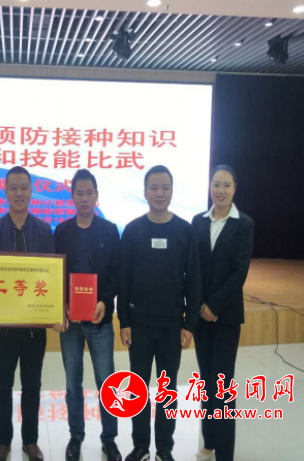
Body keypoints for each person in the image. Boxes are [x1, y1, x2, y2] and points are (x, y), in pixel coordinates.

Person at [0, 166, 55, 461]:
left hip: (34, 328)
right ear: (5, 192)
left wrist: (56, 311)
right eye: (13, 188)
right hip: (2, 329)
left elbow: (52, 278)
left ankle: (30, 441)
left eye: (24, 188)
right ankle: (3, 442)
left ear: (31, 191)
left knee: (32, 386)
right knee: (2, 386)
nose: (19, 193)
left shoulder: (43, 230)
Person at [118, 165, 202, 461]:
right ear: (144, 192)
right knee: (138, 389)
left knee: (167, 390)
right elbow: (123, 279)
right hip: (139, 325)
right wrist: (124, 321)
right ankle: (141, 446)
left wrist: (189, 324)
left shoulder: (184, 231)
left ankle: (164, 448)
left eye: (165, 187)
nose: (159, 193)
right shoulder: (133, 230)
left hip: (171, 326)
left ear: (172, 192)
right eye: (153, 187)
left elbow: (193, 280)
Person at [54, 169, 122, 461]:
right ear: (72, 197)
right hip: (71, 322)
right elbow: (55, 274)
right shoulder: (62, 232)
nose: (84, 198)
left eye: (89, 193)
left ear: (97, 196)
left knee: (107, 384)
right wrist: (61, 305)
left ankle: (109, 439)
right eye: (79, 193)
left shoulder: (109, 230)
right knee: (73, 386)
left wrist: (105, 301)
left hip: (100, 321)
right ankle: (76, 437)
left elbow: (116, 273)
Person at [192, 165, 254, 461]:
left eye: (226, 185)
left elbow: (240, 271)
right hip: (201, 316)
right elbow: (193, 267)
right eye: (216, 184)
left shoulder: (244, 224)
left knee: (223, 384)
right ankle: (209, 441)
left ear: (235, 189)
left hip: (226, 317)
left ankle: (225, 453)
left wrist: (214, 305)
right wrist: (200, 305)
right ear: (210, 187)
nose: (220, 190)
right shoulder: (198, 221)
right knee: (207, 381)